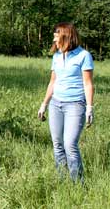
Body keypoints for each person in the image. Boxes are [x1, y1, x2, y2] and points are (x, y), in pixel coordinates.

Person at [37, 22, 94, 181]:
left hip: (75, 105)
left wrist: (89, 107)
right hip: (56, 104)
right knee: (57, 144)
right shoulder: (56, 56)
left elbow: (88, 83)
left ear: (66, 37)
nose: (54, 41)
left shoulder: (84, 56)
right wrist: (44, 104)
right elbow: (52, 82)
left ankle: (78, 183)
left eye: (57, 38)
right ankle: (62, 179)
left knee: (70, 145)